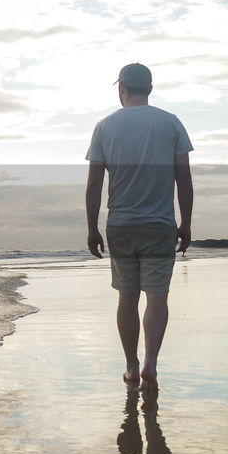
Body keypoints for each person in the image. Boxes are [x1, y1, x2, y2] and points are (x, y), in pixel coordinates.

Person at [85, 63, 193, 387]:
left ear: (122, 90)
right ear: (149, 88)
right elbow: (183, 181)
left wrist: (92, 227)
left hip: (121, 225)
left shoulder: (104, 127)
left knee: (127, 298)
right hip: (160, 225)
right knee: (157, 298)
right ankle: (151, 364)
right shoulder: (170, 123)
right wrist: (185, 224)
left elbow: (94, 185)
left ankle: (131, 366)